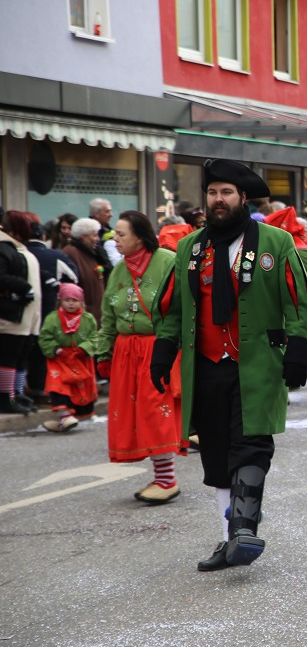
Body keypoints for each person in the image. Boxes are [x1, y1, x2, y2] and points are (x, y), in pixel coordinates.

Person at [153, 159, 307, 571]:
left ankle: (244, 528)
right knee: (217, 454)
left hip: (256, 362)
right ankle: (229, 540)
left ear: (243, 198)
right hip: (205, 365)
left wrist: (298, 346)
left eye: (226, 193)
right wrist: (165, 348)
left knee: (252, 442)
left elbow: (298, 297)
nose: (218, 200)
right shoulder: (191, 247)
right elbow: (174, 307)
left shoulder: (276, 243)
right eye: (212, 193)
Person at [95, 210, 185, 502]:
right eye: (115, 234)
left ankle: (167, 479)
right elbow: (108, 314)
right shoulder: (119, 270)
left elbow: (183, 308)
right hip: (125, 351)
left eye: (121, 234)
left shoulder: (168, 262)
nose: (115, 239)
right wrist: (103, 352)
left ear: (140, 236)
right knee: (135, 415)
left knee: (154, 409)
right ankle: (163, 477)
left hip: (157, 348)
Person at [25, 219, 79, 404]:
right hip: (49, 307)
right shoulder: (55, 255)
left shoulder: (18, 253)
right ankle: (41, 387)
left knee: (20, 351)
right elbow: (73, 278)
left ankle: (19, 390)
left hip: (18, 308)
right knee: (44, 347)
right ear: (44, 236)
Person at [38, 283, 97, 431]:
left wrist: (84, 349)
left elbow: (95, 337)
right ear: (61, 301)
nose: (71, 303)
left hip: (80, 358)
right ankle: (64, 415)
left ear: (81, 302)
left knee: (79, 388)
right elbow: (45, 337)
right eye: (67, 300)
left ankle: (62, 420)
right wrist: (56, 350)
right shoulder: (52, 318)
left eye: (75, 300)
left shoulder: (88, 318)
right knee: (58, 385)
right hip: (59, 359)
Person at [0, 211, 43, 414]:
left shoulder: (14, 247)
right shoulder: (4, 247)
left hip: (25, 315)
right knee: (8, 357)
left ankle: (15, 393)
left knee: (19, 356)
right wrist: (23, 288)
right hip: (11, 314)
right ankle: (5, 397)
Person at [63, 218, 107, 322]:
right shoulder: (71, 253)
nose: (98, 239)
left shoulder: (91, 253)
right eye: (94, 235)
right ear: (84, 237)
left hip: (94, 315)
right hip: (81, 318)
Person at [90, 198, 120, 270]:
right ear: (97, 214)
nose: (111, 215)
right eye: (107, 212)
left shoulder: (110, 231)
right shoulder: (87, 231)